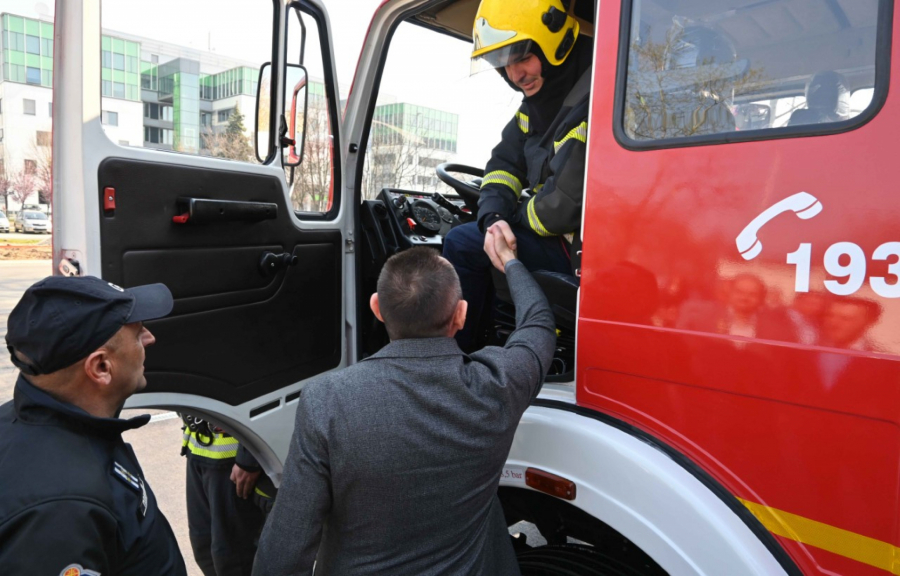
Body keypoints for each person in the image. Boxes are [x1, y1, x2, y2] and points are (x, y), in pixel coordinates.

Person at [253, 241, 556, 575]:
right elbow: (538, 325)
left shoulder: (326, 401)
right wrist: (510, 261)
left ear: (377, 308)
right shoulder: (498, 386)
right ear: (461, 315)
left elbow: (285, 551)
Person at [0, 275, 187, 575]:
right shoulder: (62, 511)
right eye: (138, 334)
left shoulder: (32, 421)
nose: (150, 338)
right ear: (101, 367)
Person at [442, 0, 592, 350]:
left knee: (462, 245)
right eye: (504, 64)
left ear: (554, 44)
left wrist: (510, 220)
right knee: (484, 234)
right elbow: (503, 166)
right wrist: (494, 215)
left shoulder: (592, 99)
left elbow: (560, 207)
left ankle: (455, 362)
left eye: (522, 58)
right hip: (565, 240)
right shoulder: (535, 107)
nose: (515, 75)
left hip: (580, 251)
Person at [180, 413, 271, 576]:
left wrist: (249, 457)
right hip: (197, 450)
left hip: (233, 464)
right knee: (203, 546)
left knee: (232, 556)